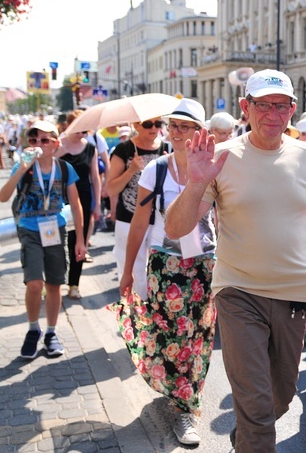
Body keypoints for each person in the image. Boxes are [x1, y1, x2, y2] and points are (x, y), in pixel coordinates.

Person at [164, 69, 306, 451]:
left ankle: (247, 436)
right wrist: (196, 181)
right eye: (262, 104)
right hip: (239, 292)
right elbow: (176, 227)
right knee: (255, 404)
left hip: (295, 297)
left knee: (278, 399)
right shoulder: (220, 157)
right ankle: (253, 435)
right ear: (244, 107)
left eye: (281, 105)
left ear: (292, 109)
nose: (272, 113)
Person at [117, 99, 217, 446]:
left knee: (200, 337)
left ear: (199, 132)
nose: (174, 132)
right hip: (166, 265)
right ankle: (182, 409)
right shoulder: (155, 170)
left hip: (205, 263)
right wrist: (128, 271)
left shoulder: (214, 168)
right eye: (171, 125)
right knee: (173, 338)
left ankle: (186, 400)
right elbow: (139, 223)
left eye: (183, 126)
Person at [0, 121, 87, 359]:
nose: (39, 145)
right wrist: (21, 167)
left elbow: (76, 205)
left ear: (55, 144)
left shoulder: (64, 168)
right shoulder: (24, 166)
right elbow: (3, 196)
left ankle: (50, 332)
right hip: (29, 228)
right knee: (35, 283)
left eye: (44, 140)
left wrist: (80, 239)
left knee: (55, 284)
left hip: (55, 229)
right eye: (34, 140)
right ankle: (32, 329)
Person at [107, 118, 170, 300]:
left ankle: (154, 313)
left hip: (159, 219)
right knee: (133, 269)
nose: (154, 128)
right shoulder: (124, 150)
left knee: (158, 268)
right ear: (136, 125)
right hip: (129, 217)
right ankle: (135, 316)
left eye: (158, 124)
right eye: (148, 124)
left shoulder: (167, 149)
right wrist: (131, 170)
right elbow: (111, 189)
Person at [55, 113, 102, 299]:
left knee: (77, 242)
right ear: (68, 126)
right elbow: (46, 165)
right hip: (58, 199)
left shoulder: (90, 148)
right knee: (56, 242)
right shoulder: (58, 144)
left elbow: (95, 177)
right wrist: (61, 149)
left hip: (82, 199)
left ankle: (74, 284)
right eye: (78, 129)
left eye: (85, 130)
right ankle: (54, 281)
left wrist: (97, 204)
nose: (81, 134)